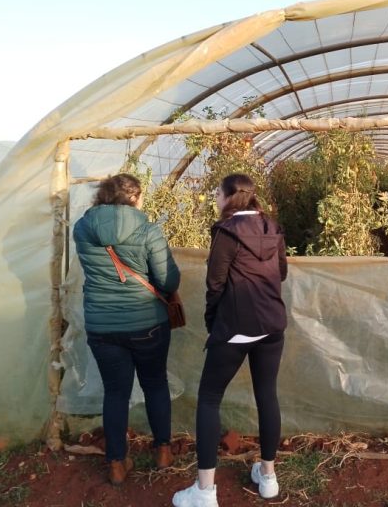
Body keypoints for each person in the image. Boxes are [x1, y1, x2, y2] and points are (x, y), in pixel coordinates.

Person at [173, 173, 288, 507]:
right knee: (267, 395)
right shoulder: (272, 227)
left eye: (217, 194)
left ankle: (205, 492)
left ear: (228, 197)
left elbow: (215, 285)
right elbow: (281, 272)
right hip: (272, 325)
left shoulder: (226, 232)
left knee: (209, 398)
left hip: (236, 327)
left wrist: (213, 321)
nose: (216, 200)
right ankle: (268, 477)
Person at [73, 173, 180, 485]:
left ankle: (117, 464)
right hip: (147, 323)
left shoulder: (83, 228)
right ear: (135, 198)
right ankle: (162, 451)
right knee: (155, 384)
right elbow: (168, 282)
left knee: (116, 393)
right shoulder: (148, 230)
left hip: (102, 326)